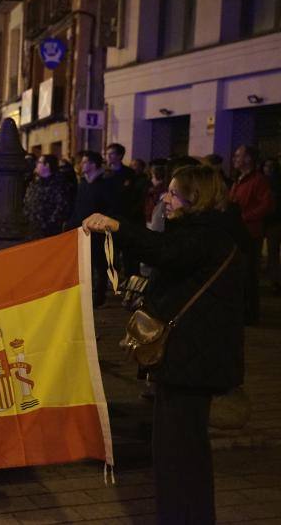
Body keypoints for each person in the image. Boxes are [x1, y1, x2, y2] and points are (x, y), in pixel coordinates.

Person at [81, 164, 244, 525]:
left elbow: (164, 252)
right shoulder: (201, 232)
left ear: (194, 197)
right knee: (179, 450)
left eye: (172, 193)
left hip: (193, 362)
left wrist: (117, 226)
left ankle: (183, 516)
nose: (164, 199)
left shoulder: (207, 235)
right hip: (187, 360)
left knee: (179, 452)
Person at [229, 145, 275, 324]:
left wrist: (245, 217)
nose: (234, 158)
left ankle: (250, 313)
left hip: (250, 234)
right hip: (238, 233)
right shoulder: (238, 179)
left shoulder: (258, 180)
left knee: (249, 275)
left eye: (238, 155)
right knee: (239, 274)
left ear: (248, 159)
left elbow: (266, 205)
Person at [66, 151, 117, 307]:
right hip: (82, 228)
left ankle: (98, 295)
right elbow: (78, 206)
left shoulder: (105, 184)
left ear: (93, 164)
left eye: (85, 162)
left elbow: (110, 208)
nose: (82, 164)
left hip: (98, 231)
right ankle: (86, 292)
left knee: (99, 264)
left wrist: (101, 225)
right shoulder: (83, 183)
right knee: (84, 263)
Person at [106, 142, 145, 277]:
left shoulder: (129, 174)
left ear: (120, 156)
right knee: (110, 251)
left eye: (112, 154)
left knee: (128, 253)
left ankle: (130, 279)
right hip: (109, 218)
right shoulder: (106, 174)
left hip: (127, 219)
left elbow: (136, 197)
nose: (108, 157)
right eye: (108, 154)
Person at [23, 154, 74, 239]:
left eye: (39, 162)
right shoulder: (34, 183)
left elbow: (61, 208)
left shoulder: (59, 185)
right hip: (31, 229)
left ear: (47, 165)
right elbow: (27, 202)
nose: (36, 165)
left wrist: (48, 224)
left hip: (48, 231)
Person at [263, 158, 281, 294]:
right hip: (274, 221)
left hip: (273, 222)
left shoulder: (268, 183)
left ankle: (274, 280)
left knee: (273, 252)